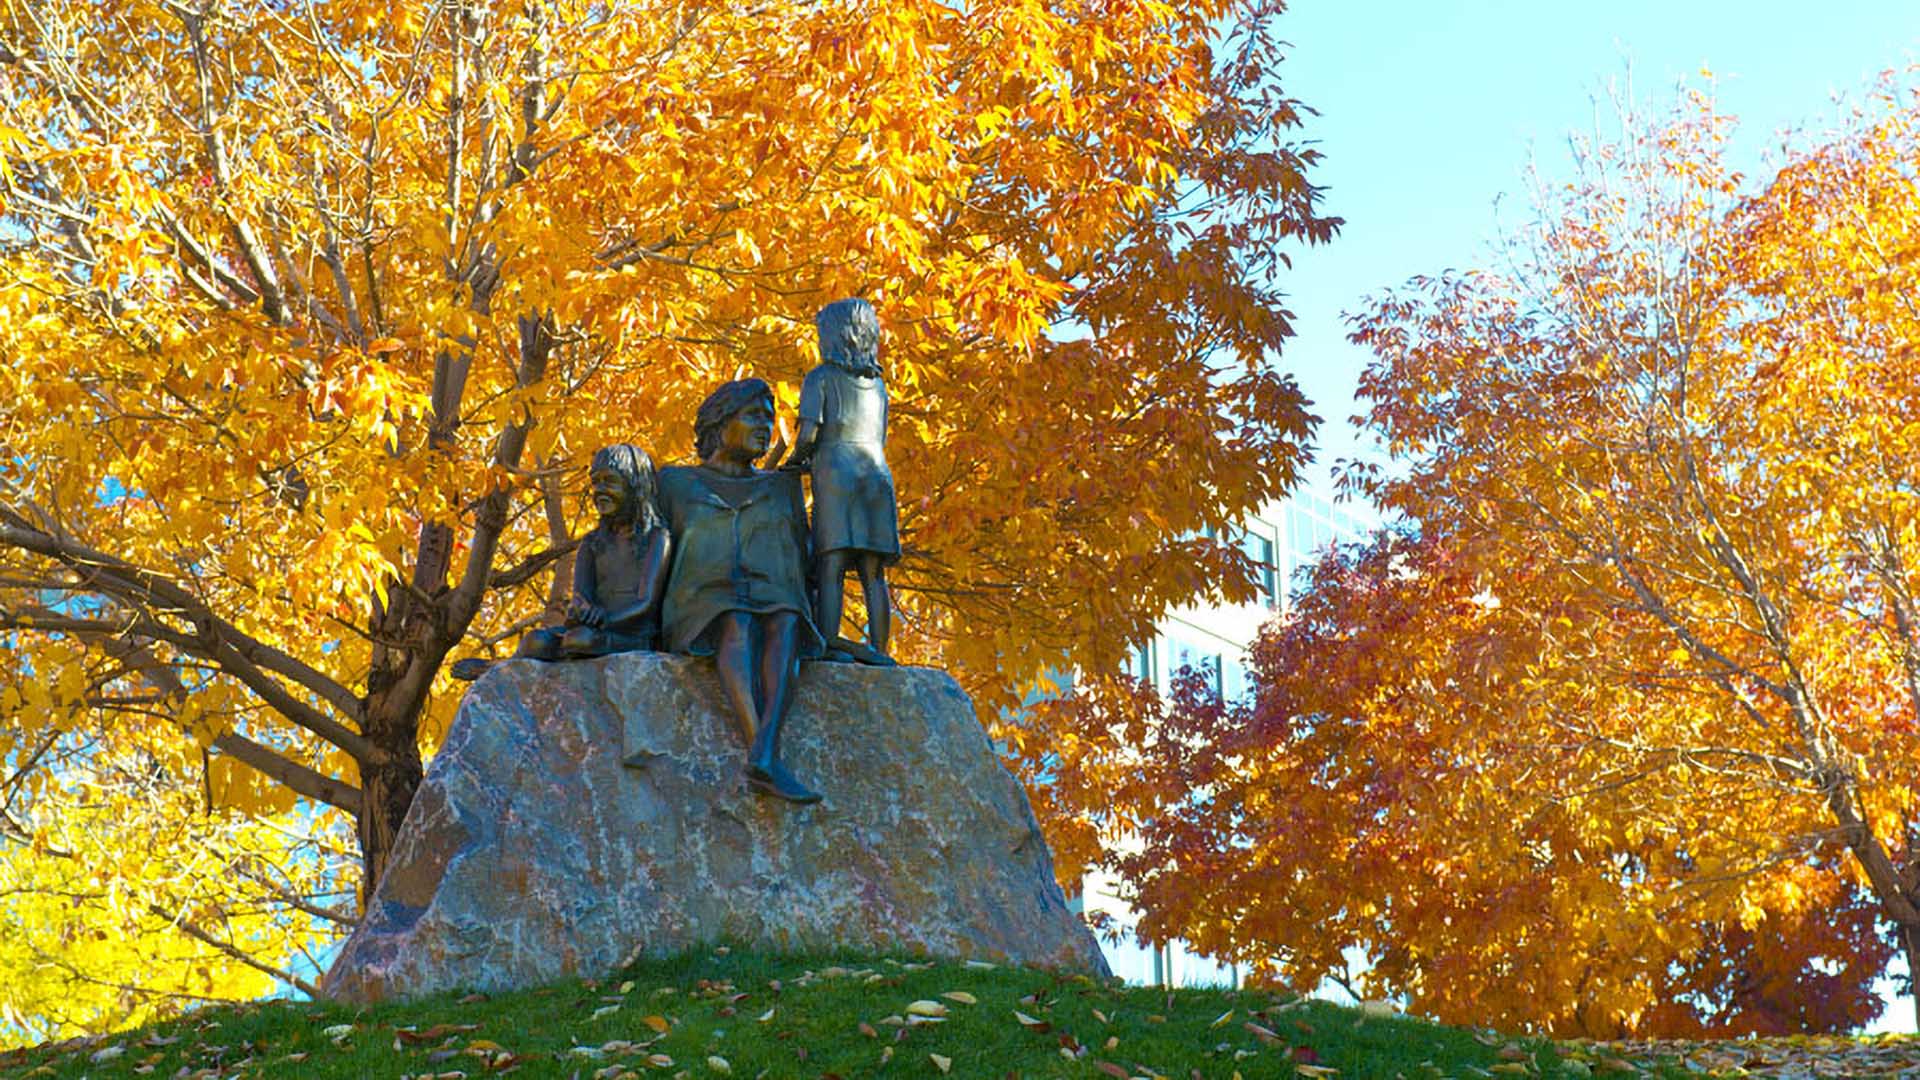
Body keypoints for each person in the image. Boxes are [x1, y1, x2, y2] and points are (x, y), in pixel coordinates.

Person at [657, 379, 825, 804]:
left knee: (787, 619)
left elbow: (806, 558)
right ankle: (764, 751)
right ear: (719, 423)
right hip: (700, 604)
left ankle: (764, 755)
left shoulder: (782, 487)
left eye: (770, 418)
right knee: (736, 620)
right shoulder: (674, 483)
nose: (766, 426)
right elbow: (649, 548)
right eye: (753, 416)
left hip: (777, 595)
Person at [782, 297, 899, 662]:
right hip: (876, 476)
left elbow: (806, 436)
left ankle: (828, 641)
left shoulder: (820, 379)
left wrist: (793, 464)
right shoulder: (878, 386)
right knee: (872, 571)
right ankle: (880, 649)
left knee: (831, 561)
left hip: (836, 476)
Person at [516, 443, 671, 661]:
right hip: (594, 629)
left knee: (580, 640)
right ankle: (497, 668)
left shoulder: (656, 538)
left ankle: (562, 655)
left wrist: (604, 618)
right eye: (596, 482)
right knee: (535, 641)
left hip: (634, 635)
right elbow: (581, 596)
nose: (599, 490)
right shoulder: (592, 543)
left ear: (636, 486)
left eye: (609, 481)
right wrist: (580, 610)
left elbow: (645, 604)